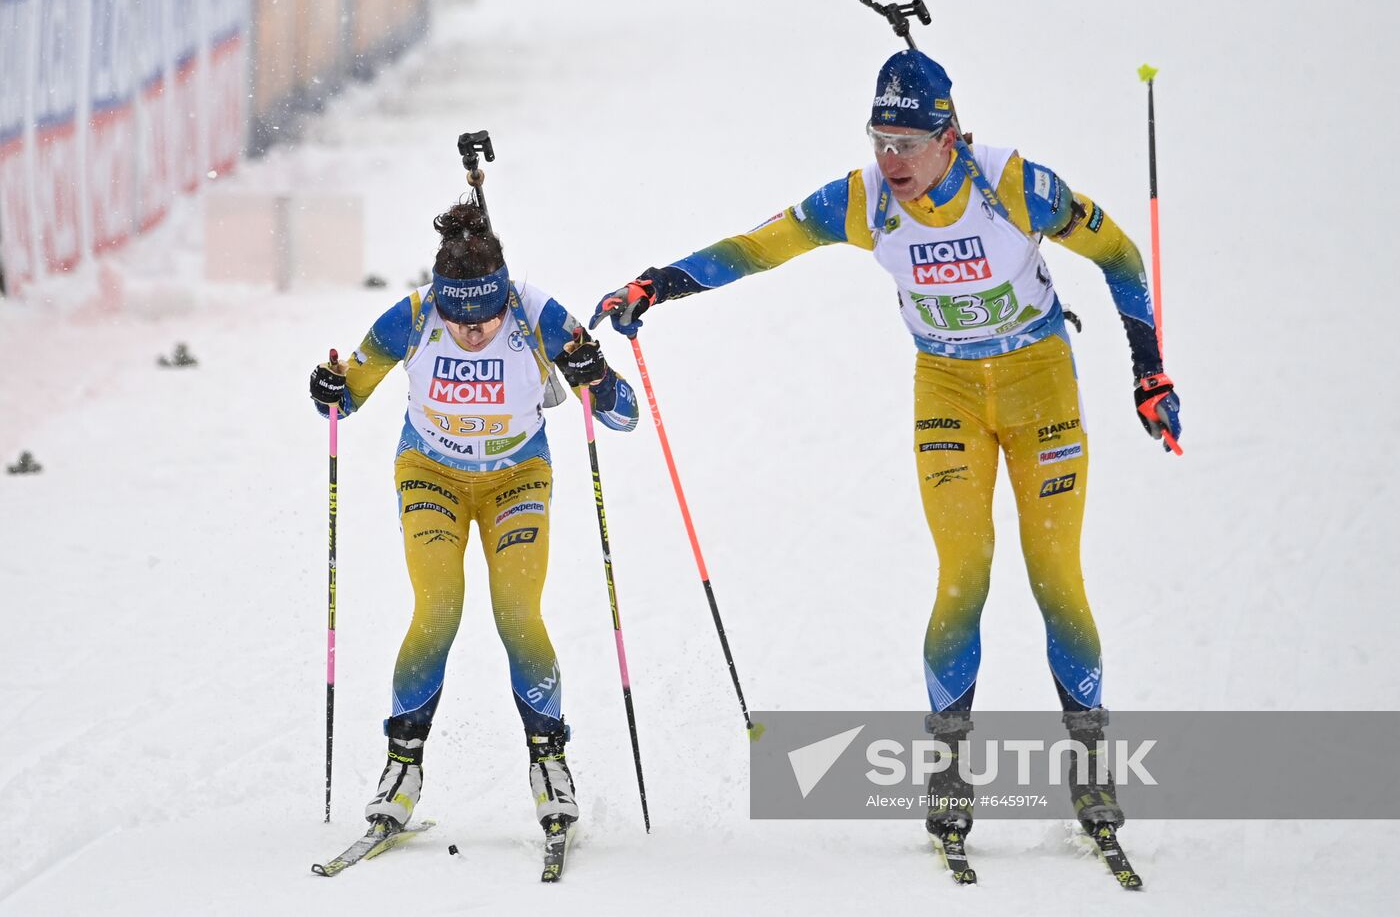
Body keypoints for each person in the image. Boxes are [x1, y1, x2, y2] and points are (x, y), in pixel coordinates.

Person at [590, 49, 1181, 840]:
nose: (890, 159)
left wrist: (1149, 372)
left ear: (951, 138)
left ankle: (1090, 769)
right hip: (948, 392)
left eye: (907, 143)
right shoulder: (863, 202)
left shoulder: (1012, 185)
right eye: (879, 140)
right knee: (963, 575)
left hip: (1040, 384)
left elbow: (1119, 254)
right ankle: (948, 773)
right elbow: (756, 247)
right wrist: (655, 284)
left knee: (1055, 578)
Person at [309, 202, 638, 840]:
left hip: (518, 479)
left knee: (519, 611)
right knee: (438, 606)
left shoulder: (538, 315)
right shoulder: (409, 317)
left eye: (487, 316)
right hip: (431, 475)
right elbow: (344, 399)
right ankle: (401, 766)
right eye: (460, 319)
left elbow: (622, 417)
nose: (476, 331)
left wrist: (593, 374)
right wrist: (326, 386)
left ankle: (550, 764)